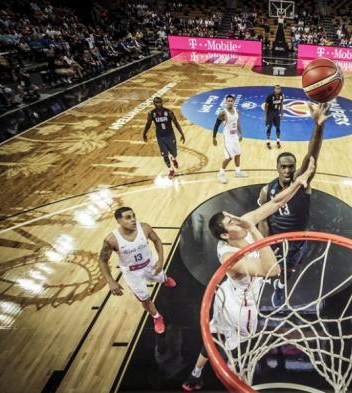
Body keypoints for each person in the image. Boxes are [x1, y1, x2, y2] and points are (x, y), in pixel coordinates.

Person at [181, 158, 316, 392]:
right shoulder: (229, 257)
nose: (237, 219)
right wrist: (254, 228)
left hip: (227, 293)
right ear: (225, 235)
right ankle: (237, 380)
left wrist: (299, 182)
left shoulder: (242, 223)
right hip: (241, 307)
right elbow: (272, 271)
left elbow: (275, 202)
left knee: (215, 335)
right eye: (231, 222)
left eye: (234, 217)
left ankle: (195, 373)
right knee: (235, 347)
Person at [257, 103, 330, 304]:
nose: (288, 171)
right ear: (277, 168)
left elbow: (312, 154)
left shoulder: (302, 183)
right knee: (270, 268)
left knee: (286, 273)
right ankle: (273, 280)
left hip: (297, 241)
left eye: (291, 167)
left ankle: (280, 287)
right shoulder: (267, 190)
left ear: (296, 168)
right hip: (275, 240)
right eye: (284, 167)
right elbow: (262, 217)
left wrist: (319, 126)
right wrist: (265, 240)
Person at [98, 207, 177, 335]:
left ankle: (165, 280)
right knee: (145, 299)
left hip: (149, 263)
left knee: (162, 277)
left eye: (134, 216)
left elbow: (157, 240)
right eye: (128, 217)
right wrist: (111, 281)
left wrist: (161, 260)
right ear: (118, 221)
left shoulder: (145, 227)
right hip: (132, 273)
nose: (133, 219)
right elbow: (102, 261)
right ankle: (157, 317)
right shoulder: (111, 239)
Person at [143, 97, 186, 178]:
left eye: (159, 102)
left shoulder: (169, 112)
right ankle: (171, 170)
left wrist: (182, 134)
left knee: (174, 153)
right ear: (154, 104)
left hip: (170, 135)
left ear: (162, 103)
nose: (158, 104)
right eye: (156, 103)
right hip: (160, 137)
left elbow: (176, 123)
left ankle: (173, 158)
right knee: (164, 155)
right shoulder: (151, 113)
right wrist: (144, 133)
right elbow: (148, 124)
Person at [213, 95, 246, 183]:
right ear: (226, 102)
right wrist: (214, 137)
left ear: (234, 102)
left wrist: (240, 134)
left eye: (231, 101)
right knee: (229, 157)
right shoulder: (223, 113)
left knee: (238, 153)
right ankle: (220, 173)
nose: (230, 102)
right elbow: (216, 125)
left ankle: (237, 171)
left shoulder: (236, 111)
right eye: (228, 101)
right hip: (227, 138)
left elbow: (238, 123)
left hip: (234, 136)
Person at [264, 85, 284, 149]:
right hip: (270, 112)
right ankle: (268, 142)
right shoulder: (270, 96)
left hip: (277, 112)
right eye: (276, 89)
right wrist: (265, 115)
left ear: (280, 90)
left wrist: (281, 113)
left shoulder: (281, 95)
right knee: (269, 127)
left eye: (279, 89)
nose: (278, 90)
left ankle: (278, 141)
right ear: (274, 89)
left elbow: (281, 104)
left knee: (278, 127)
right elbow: (266, 106)